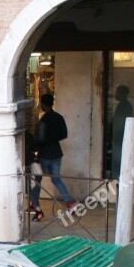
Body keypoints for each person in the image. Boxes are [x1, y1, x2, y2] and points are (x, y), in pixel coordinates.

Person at [30, 93, 75, 222]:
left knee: (36, 180)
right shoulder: (59, 117)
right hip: (57, 152)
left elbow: (40, 139)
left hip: (45, 154)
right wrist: (54, 139)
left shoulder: (44, 120)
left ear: (43, 104)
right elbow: (64, 134)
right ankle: (70, 203)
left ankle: (36, 205)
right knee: (56, 179)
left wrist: (37, 147)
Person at [111, 84, 134, 180]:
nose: (115, 94)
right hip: (118, 138)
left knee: (119, 161)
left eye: (118, 92)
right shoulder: (122, 105)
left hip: (120, 139)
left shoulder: (125, 106)